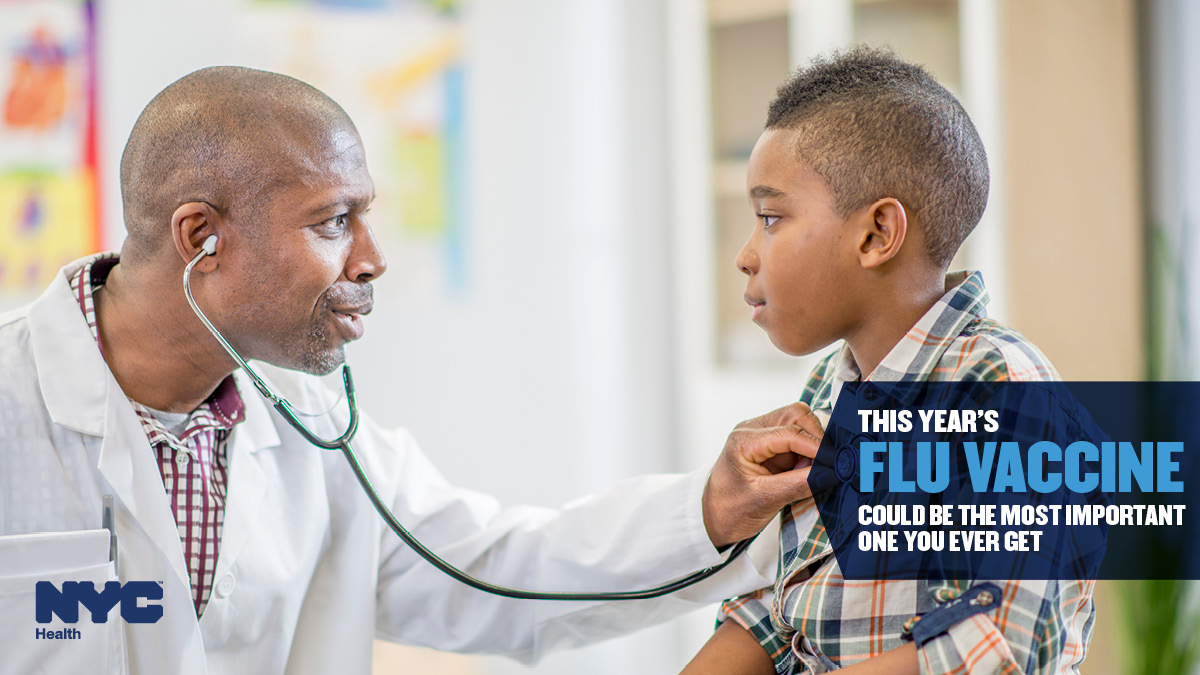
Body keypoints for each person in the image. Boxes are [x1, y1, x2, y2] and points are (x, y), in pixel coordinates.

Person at [0, 66, 824, 675]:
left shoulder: (312, 428)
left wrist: (711, 508)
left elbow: (499, 570)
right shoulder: (15, 403)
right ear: (199, 237)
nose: (372, 259)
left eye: (366, 216)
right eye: (333, 221)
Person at [681, 47, 1093, 674]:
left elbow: (994, 645)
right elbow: (776, 612)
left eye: (770, 218)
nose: (745, 253)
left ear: (876, 235)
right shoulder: (831, 388)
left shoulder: (1001, 386)